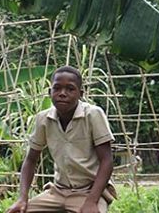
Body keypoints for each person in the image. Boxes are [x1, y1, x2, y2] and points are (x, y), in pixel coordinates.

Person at [6, 65, 115, 213]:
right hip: (58, 191)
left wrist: (91, 201)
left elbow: (106, 160)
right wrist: (22, 198)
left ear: (80, 93)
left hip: (88, 191)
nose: (62, 93)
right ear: (50, 92)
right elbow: (31, 160)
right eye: (57, 88)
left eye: (70, 89)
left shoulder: (93, 115)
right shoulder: (43, 119)